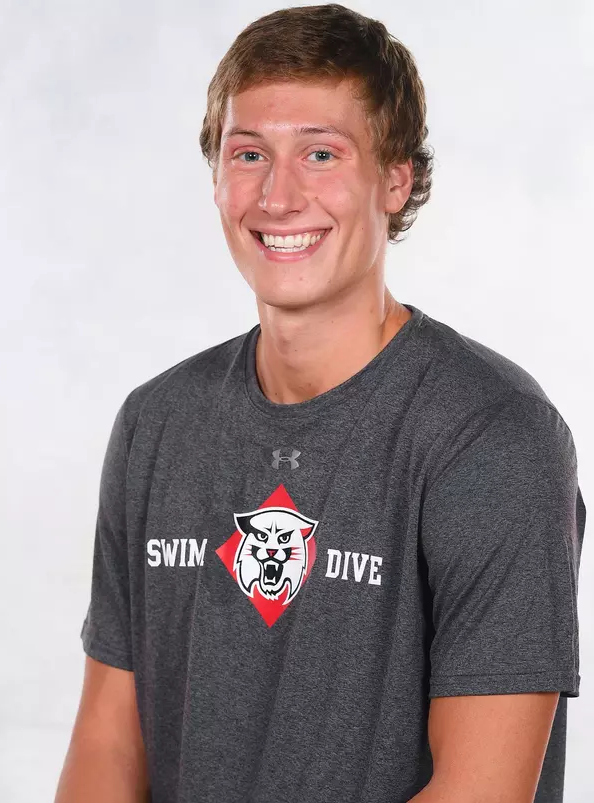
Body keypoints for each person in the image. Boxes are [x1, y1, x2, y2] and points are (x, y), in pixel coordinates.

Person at [54, 5, 586, 802]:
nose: (277, 194)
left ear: (395, 178)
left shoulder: (492, 437)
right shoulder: (155, 425)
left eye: (321, 152)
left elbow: (481, 791)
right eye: (248, 153)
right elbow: (105, 742)